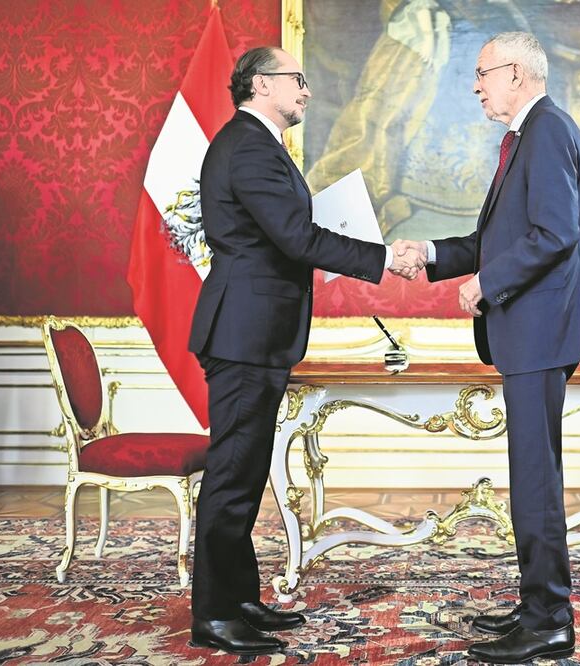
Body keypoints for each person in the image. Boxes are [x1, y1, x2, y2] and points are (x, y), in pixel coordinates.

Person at [186, 46, 421, 656]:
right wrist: (382, 258)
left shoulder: (256, 144)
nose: (307, 91)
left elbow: (287, 232)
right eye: (298, 79)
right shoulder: (249, 146)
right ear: (262, 84)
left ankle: (239, 600)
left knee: (244, 472)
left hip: (253, 332)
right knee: (233, 474)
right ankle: (213, 615)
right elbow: (295, 236)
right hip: (243, 333)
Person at [392, 31, 580, 664]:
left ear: (516, 73)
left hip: (540, 330)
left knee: (535, 479)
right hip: (534, 330)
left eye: (483, 73)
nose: (476, 85)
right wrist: (431, 255)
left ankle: (550, 621)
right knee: (531, 476)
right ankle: (537, 605)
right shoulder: (530, 133)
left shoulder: (545, 130)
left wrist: (488, 282)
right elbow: (499, 237)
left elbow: (554, 234)